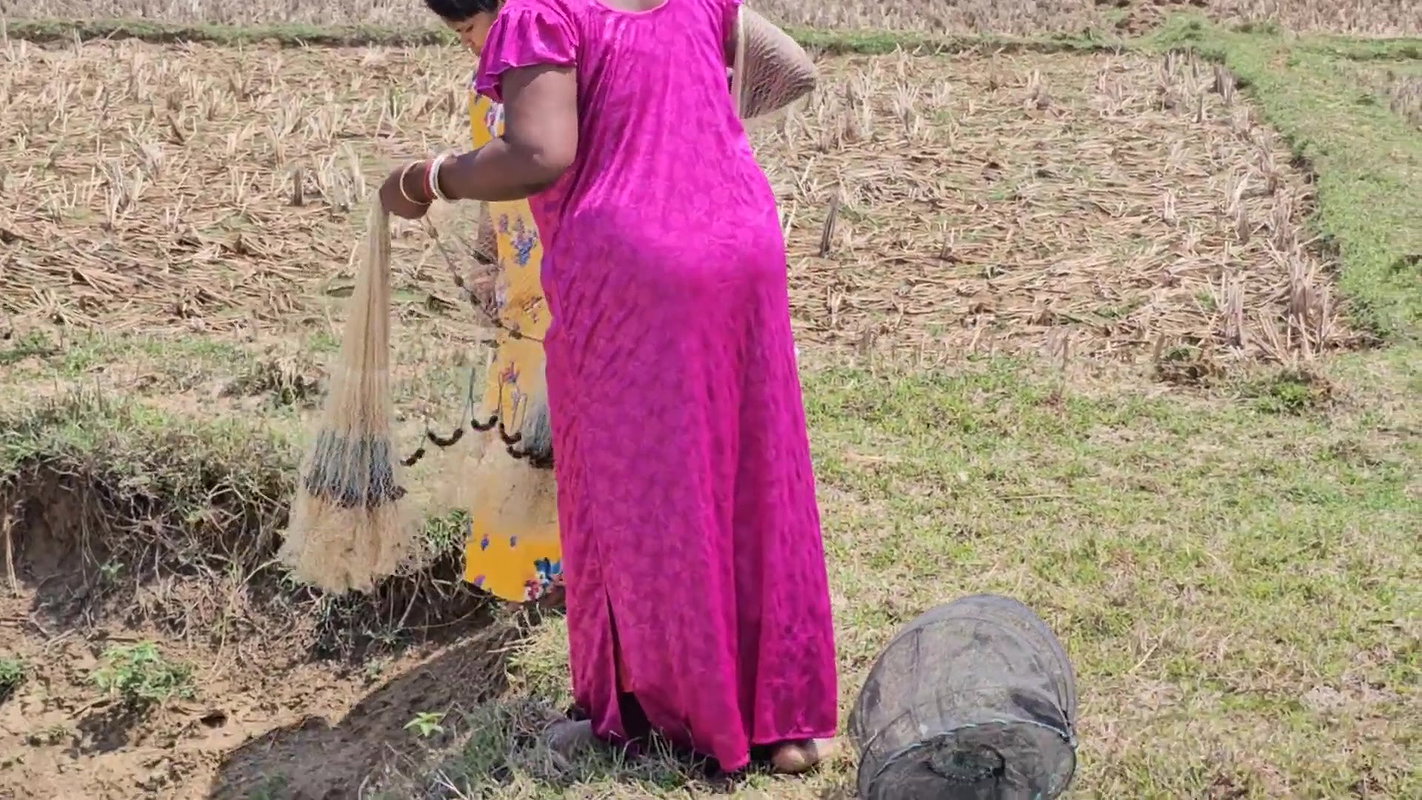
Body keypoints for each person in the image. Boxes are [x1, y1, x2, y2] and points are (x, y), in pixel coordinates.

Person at [386, 0, 837, 775]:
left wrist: (428, 178)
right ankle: (785, 724)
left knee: (639, 494)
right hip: (741, 240)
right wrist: (680, 136)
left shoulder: (541, 13)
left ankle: (669, 718)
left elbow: (539, 152)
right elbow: (789, 67)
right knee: (755, 476)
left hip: (635, 274)